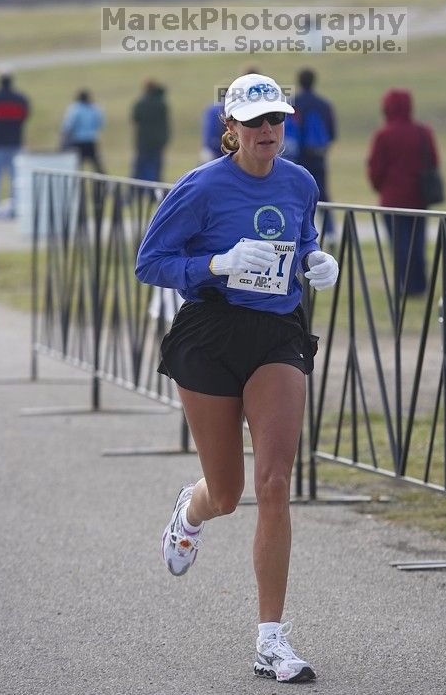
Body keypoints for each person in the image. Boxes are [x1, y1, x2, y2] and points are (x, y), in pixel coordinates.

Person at [135, 73, 339, 684]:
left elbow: (302, 238)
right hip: (211, 333)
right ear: (231, 128)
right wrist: (216, 263)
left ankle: (271, 640)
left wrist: (314, 260)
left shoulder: (301, 180)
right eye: (254, 123)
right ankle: (189, 512)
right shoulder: (200, 187)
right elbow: (151, 262)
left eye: (275, 120)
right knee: (227, 494)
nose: (267, 133)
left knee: (274, 483)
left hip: (276, 333)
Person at [366, 88, 441, 296]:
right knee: (418, 243)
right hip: (419, 197)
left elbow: (375, 168)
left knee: (400, 245)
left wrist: (381, 186)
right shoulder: (423, 132)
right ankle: (419, 285)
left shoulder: (383, 135)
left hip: (393, 199)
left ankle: (404, 285)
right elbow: (434, 160)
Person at [286, 68, 337, 242]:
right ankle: (330, 234)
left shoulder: (293, 103)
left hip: (297, 158)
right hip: (318, 157)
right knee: (323, 194)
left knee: (297, 196)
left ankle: (299, 233)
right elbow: (332, 134)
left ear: (299, 81)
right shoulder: (324, 104)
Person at [0, 72, 30, 218]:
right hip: (15, 143)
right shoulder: (20, 99)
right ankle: (16, 208)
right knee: (17, 178)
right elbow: (25, 116)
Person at [131, 80, 170, 181]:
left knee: (139, 168)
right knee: (156, 168)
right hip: (158, 141)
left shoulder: (141, 103)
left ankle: (136, 190)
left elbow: (135, 118)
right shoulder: (161, 103)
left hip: (143, 140)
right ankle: (154, 191)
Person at [60, 90, 105, 173]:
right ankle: (102, 184)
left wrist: (64, 137)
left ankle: (79, 184)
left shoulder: (75, 108)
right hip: (91, 139)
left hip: (77, 140)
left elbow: (68, 125)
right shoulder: (94, 108)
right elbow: (101, 123)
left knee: (77, 167)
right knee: (97, 165)